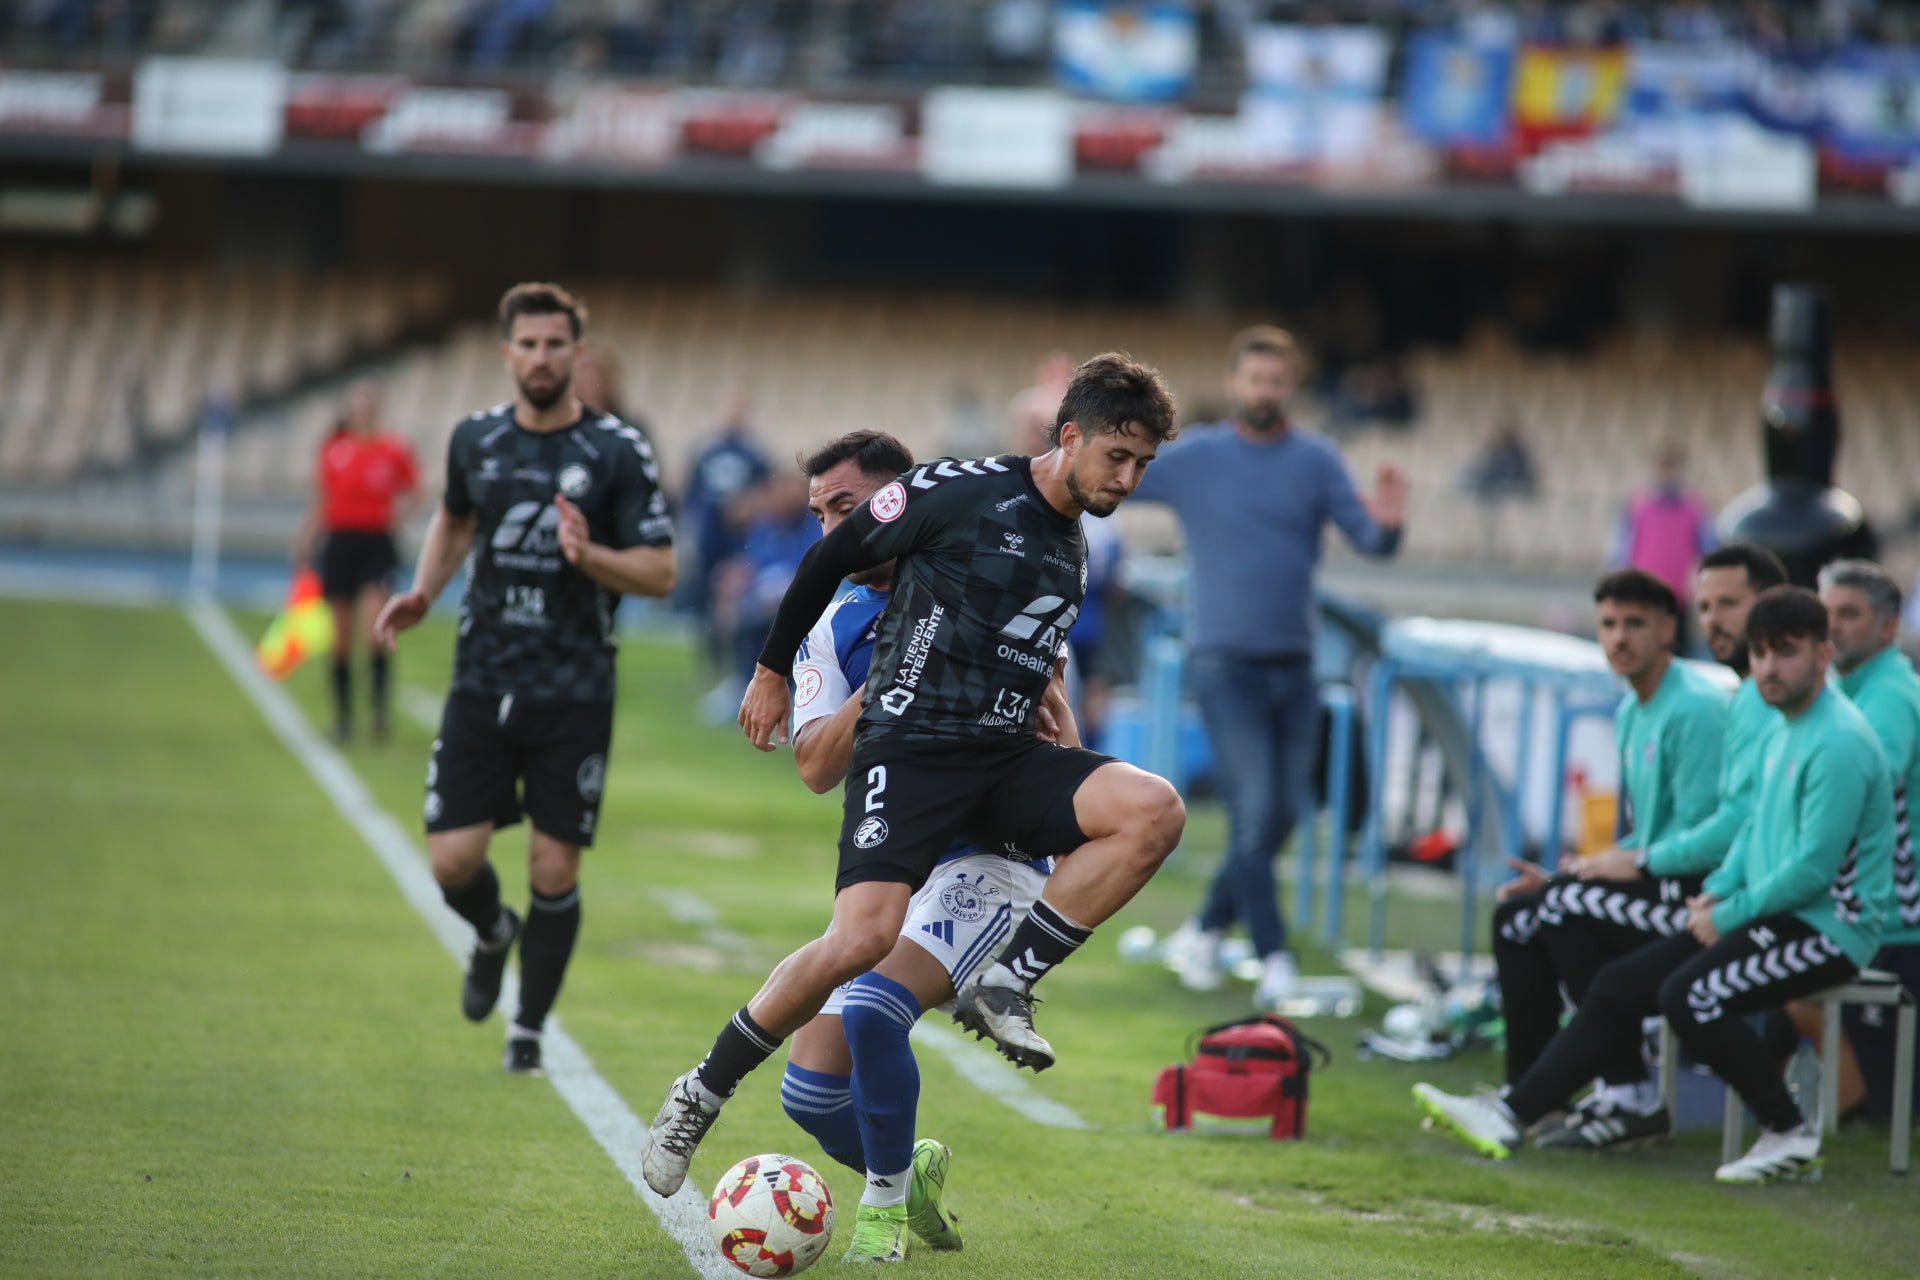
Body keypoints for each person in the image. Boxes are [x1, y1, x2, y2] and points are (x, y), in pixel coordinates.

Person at [638, 353, 1187, 1202]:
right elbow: (829, 563)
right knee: (855, 950)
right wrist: (771, 669)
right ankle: (701, 1091)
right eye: (1119, 456)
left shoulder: (1074, 548)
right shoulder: (961, 490)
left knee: (1153, 808)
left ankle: (1010, 978)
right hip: (915, 755)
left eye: (1142, 465)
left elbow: (1044, 670)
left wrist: (1073, 760)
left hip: (1004, 764)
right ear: (1070, 435)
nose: (1129, 476)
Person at [1417, 586, 1896, 1184]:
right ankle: (1512, 1113)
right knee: (1621, 984)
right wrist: (1719, 891)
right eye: (1762, 654)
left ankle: (1788, 1129)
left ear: (1824, 655)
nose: (1770, 669)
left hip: (1829, 928)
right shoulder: (1782, 725)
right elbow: (1753, 831)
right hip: (1765, 912)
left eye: (1787, 653)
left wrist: (1728, 911)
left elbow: (1812, 870)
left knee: (1690, 995)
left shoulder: (1840, 741)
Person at [775, 429, 1077, 1262]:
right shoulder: (833, 623)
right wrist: (887, 686)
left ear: (892, 503)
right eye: (819, 515)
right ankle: (911, 1178)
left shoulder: (993, 582)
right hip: (895, 867)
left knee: (873, 1011)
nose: (833, 532)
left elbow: (1062, 741)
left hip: (990, 856)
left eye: (846, 509)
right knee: (807, 1094)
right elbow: (812, 767)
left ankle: (880, 1218)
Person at [373, 283, 675, 1074]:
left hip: (573, 687)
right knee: (452, 861)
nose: (541, 358)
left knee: (553, 866)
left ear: (578, 353)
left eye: (555, 345)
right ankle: (491, 933)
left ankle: (529, 1029)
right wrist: (422, 591)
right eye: (528, 345)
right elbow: (455, 516)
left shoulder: (615, 451)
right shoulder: (474, 438)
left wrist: (593, 558)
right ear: (507, 353)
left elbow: (662, 570)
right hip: (483, 678)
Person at [1135, 325, 1407, 1008]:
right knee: (1255, 808)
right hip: (1224, 662)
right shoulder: (1197, 456)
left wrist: (1392, 520)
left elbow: (1371, 539)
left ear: (1291, 387)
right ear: (1235, 385)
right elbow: (1115, 476)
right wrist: (1060, 429)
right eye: (1254, 379)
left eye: (1277, 381)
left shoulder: (1315, 459)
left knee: (1284, 813)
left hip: (1295, 663)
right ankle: (1274, 953)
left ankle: (1204, 929)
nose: (1265, 391)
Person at [1486, 568, 1729, 1151]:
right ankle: (1535, 1097)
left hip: (1701, 897)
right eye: (1609, 624)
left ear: (1669, 628)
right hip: (1660, 882)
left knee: (1563, 906)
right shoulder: (1630, 709)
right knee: (1518, 917)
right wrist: (1580, 870)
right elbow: (1650, 832)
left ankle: (1627, 1092)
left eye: (1635, 624)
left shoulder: (1694, 708)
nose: (1619, 637)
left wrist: (1624, 866)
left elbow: (1708, 840)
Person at [1774, 561, 1920, 1123]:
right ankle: (1824, 1115)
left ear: (1887, 628)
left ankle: (1831, 1117)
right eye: (1826, 611)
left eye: (1849, 614)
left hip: (1894, 918)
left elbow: (1866, 784)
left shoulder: (1889, 696)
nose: (1832, 625)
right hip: (1865, 906)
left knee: (1788, 989)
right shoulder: (1846, 687)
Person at [294, 378, 420, 743]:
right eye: (357, 403)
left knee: (375, 629)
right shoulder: (334, 449)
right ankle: (344, 718)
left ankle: (379, 713)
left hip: (376, 543)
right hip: (340, 542)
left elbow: (413, 491)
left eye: (369, 403)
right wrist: (306, 537)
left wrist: (395, 518)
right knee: (341, 635)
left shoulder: (392, 450)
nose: (362, 410)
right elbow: (323, 499)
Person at [1611, 443, 1716, 653]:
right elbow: (1623, 547)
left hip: (1675, 594)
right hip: (1643, 592)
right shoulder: (1639, 505)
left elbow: (1708, 547)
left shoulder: (1693, 507)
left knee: (1676, 648)